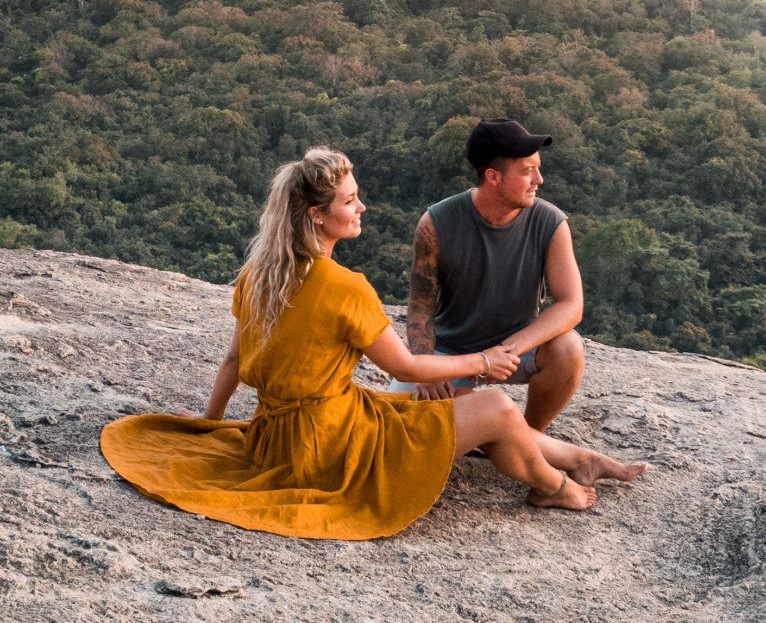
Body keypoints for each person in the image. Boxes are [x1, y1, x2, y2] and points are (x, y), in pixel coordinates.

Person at [101, 147, 646, 540]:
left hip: (278, 440)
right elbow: (405, 362)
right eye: (350, 201)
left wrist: (212, 422)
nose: (361, 208)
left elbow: (234, 359)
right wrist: (484, 361)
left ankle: (582, 458)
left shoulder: (258, 275)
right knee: (497, 406)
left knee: (433, 409)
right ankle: (554, 485)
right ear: (317, 215)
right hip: (334, 448)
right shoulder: (345, 289)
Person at [391, 118, 584, 431]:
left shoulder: (550, 223)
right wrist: (426, 369)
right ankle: (493, 426)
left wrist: (505, 352)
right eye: (527, 171)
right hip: (450, 352)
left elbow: (571, 305)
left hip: (516, 348)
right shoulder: (436, 223)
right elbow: (420, 305)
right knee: (399, 427)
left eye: (538, 168)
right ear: (493, 176)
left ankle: (531, 434)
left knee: (569, 348)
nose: (540, 179)